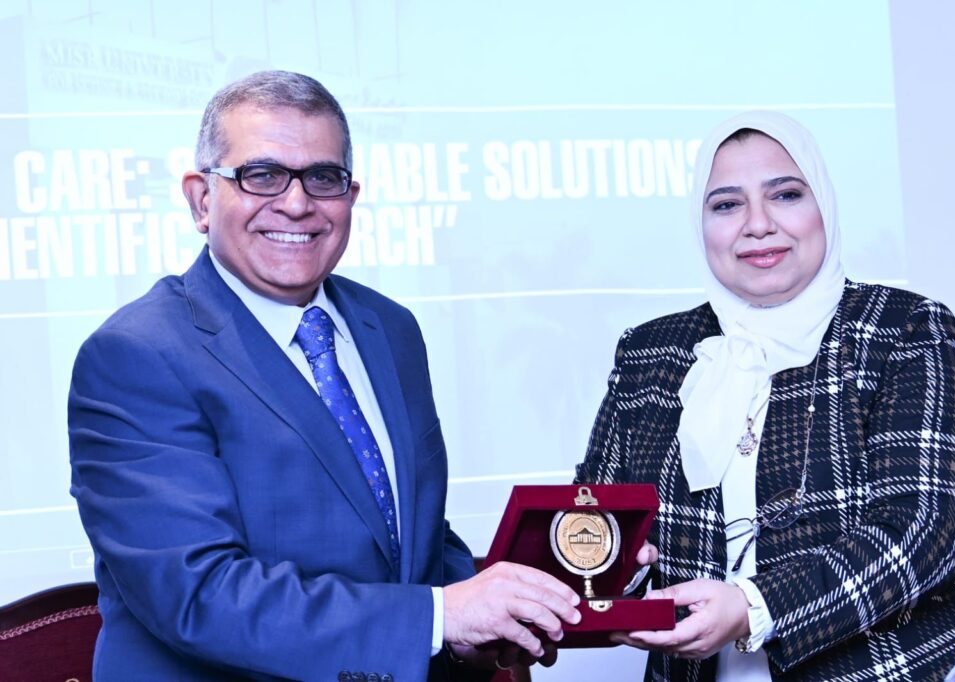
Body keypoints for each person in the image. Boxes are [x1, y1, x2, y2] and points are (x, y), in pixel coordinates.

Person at [68, 70, 584, 681]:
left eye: (322, 177)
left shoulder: (388, 328)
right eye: (261, 175)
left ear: (350, 195)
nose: (296, 203)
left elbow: (411, 536)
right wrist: (441, 617)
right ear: (202, 199)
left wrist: (519, 607)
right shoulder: (136, 355)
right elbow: (198, 593)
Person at [576, 112, 955, 680]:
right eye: (726, 205)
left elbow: (930, 525)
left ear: (822, 204)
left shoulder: (902, 328)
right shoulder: (650, 352)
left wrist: (755, 607)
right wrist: (616, 573)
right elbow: (596, 523)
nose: (758, 225)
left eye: (785, 195)